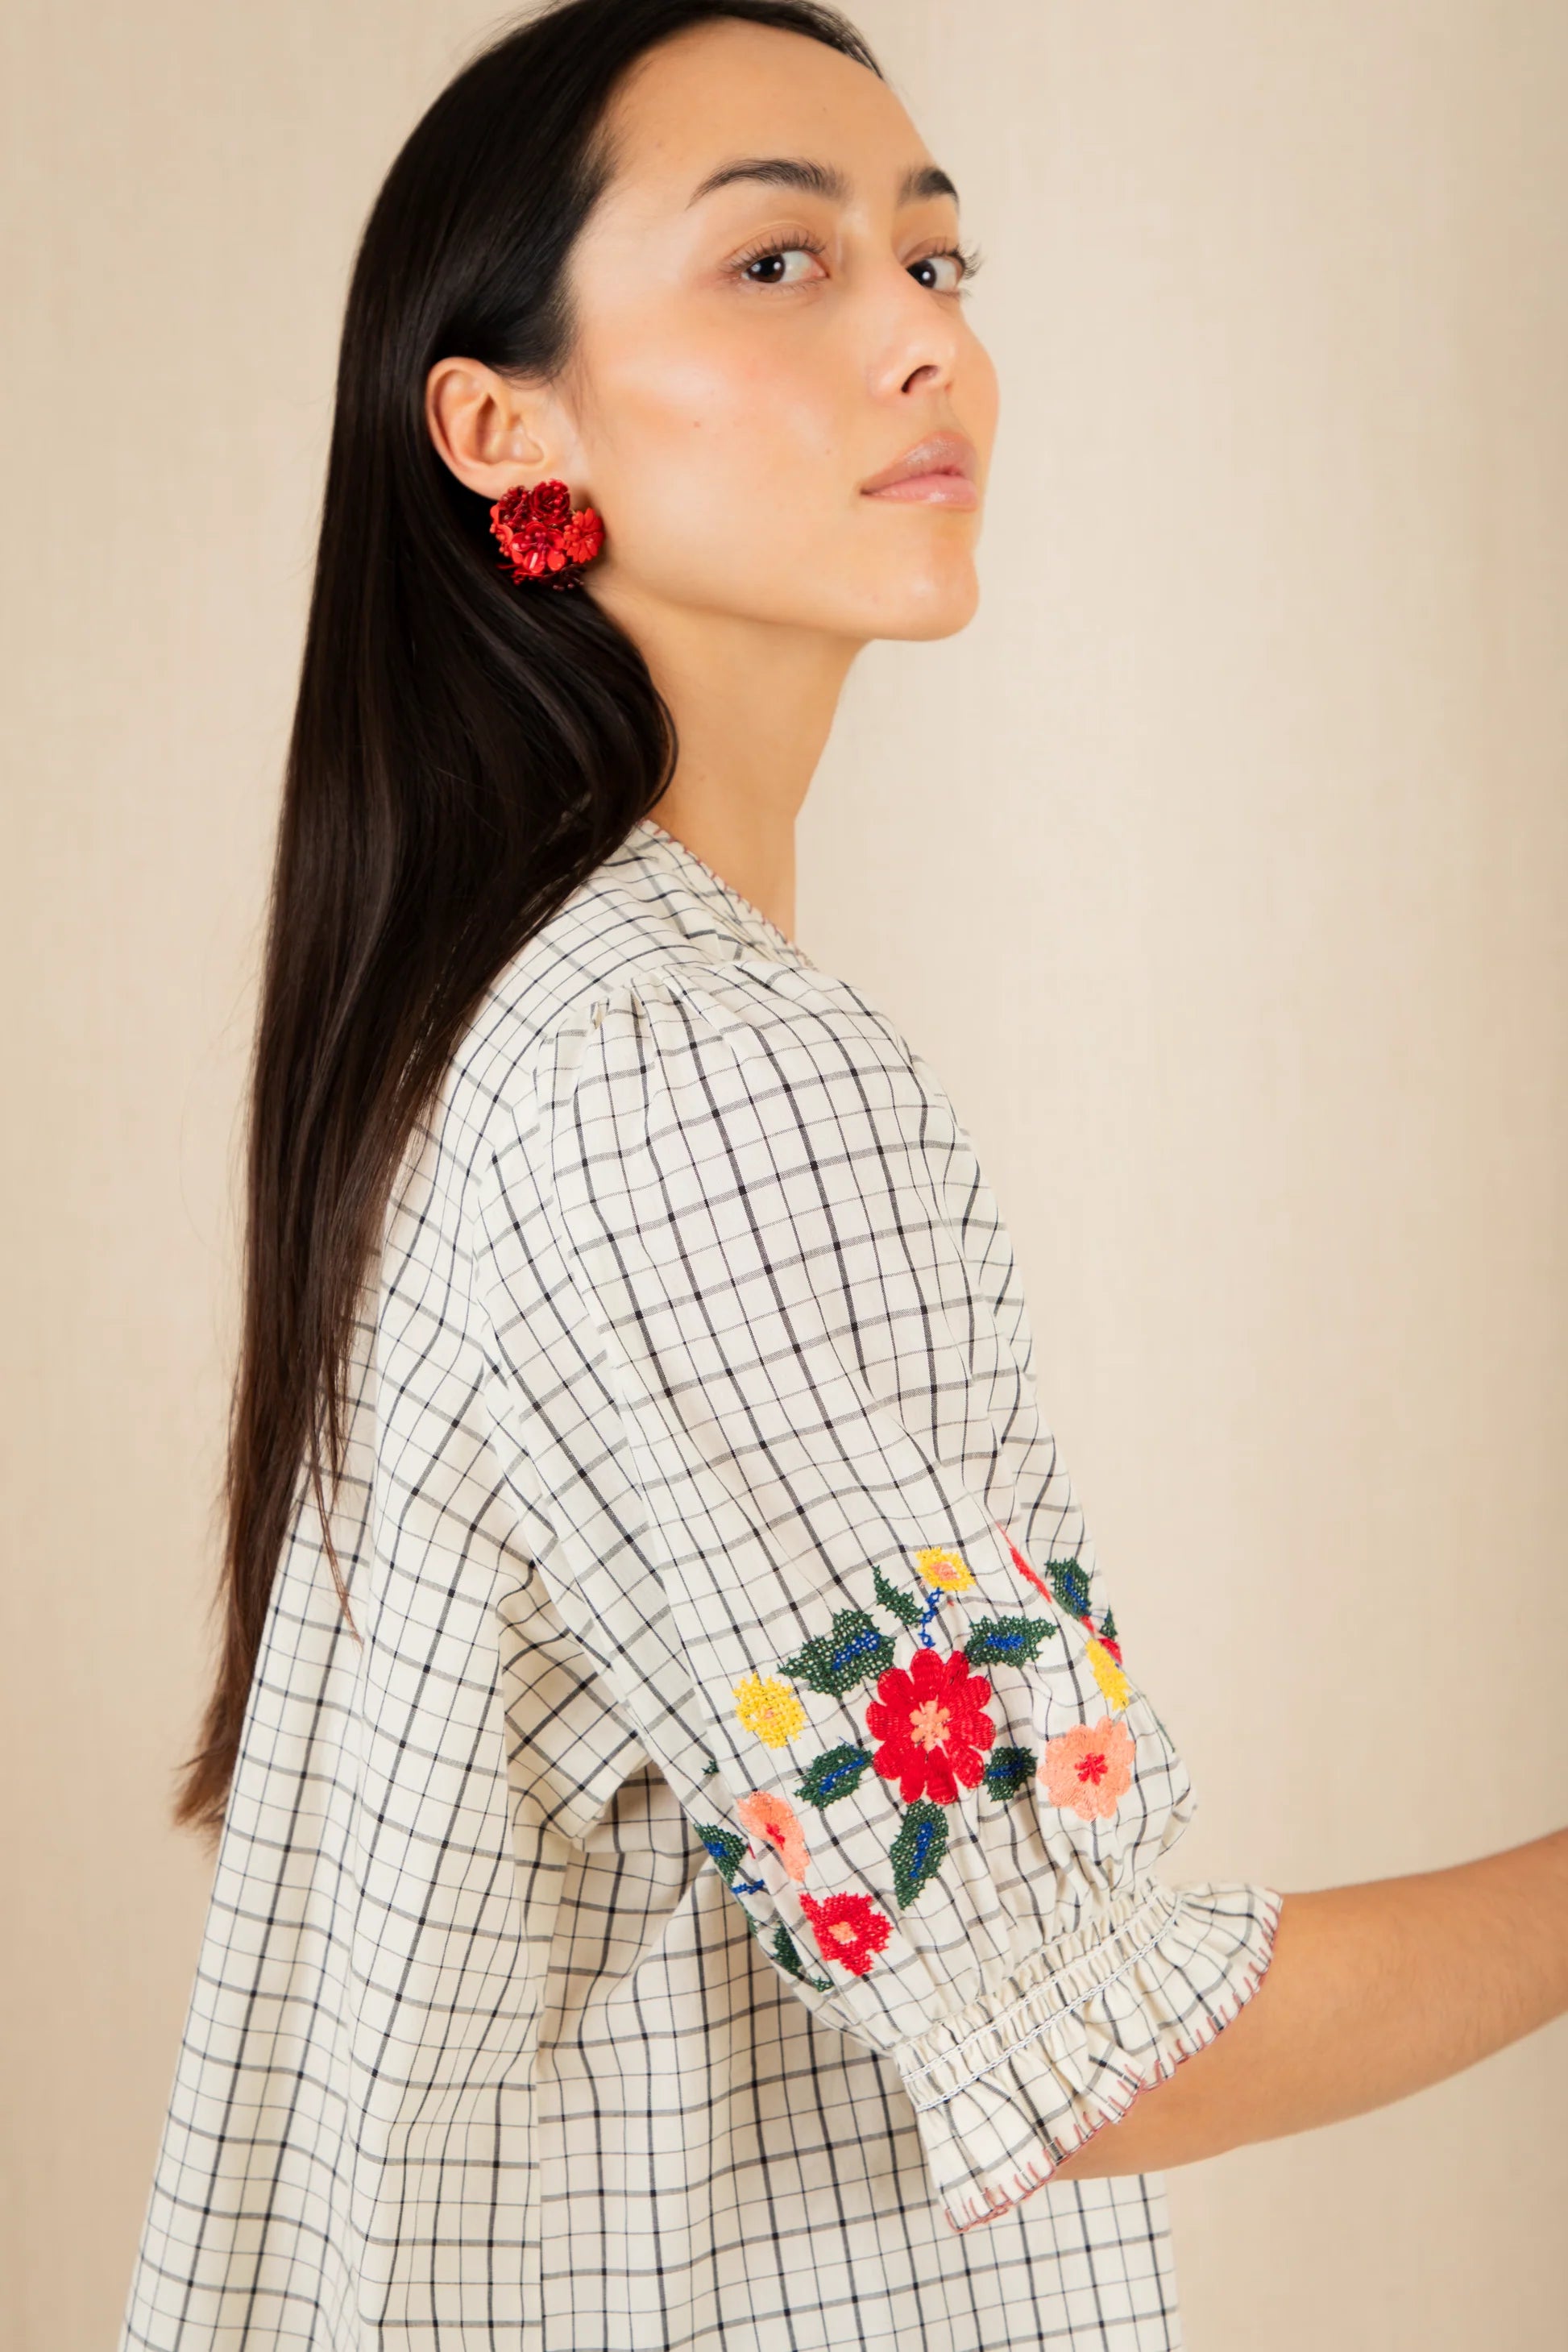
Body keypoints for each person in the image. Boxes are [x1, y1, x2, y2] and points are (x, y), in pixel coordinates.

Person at [118, 3, 1568, 2346]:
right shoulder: (683, 1070)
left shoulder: (508, 1009)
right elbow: (1081, 2032)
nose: (918, 337)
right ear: (503, 427)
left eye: (939, 259)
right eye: (777, 265)